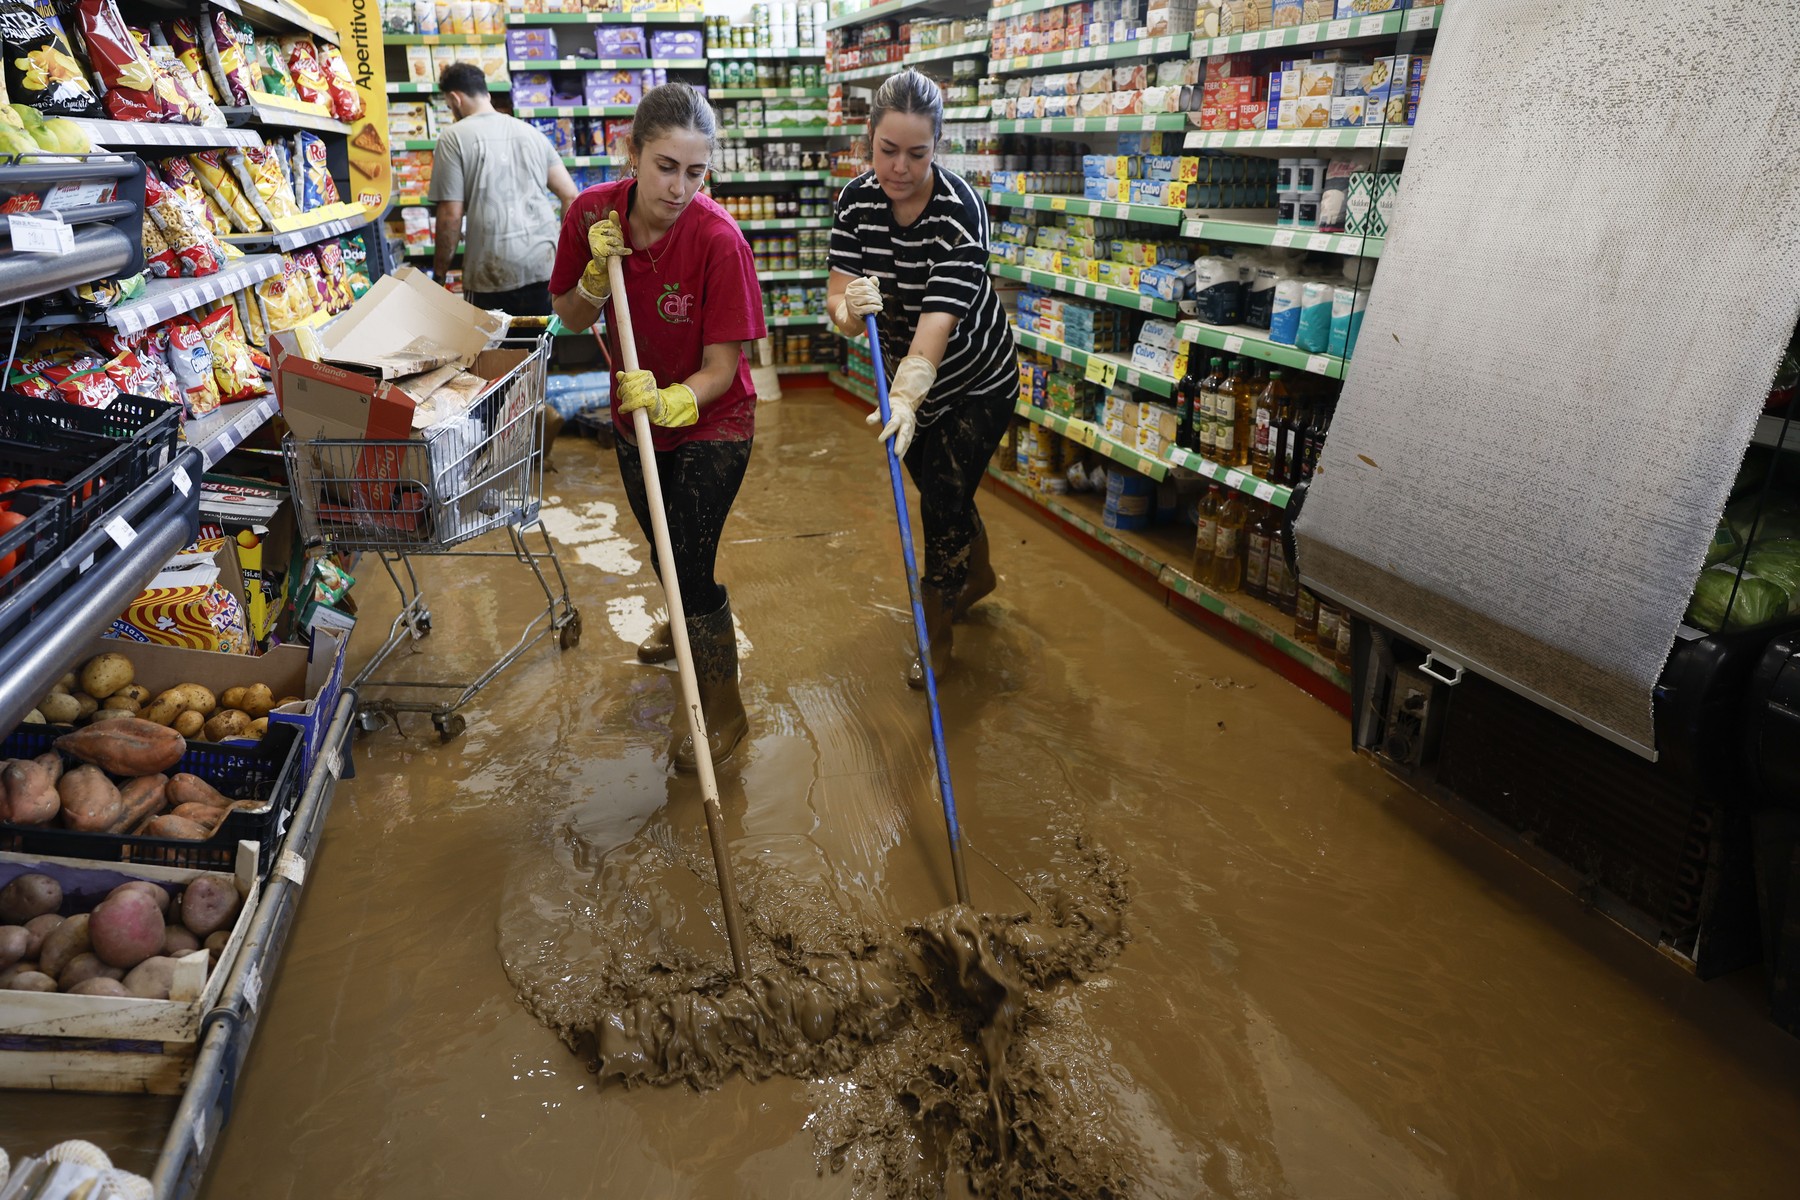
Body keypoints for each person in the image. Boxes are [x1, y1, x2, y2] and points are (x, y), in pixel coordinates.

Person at [550, 83, 765, 770]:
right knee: (663, 547)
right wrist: (590, 278)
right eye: (666, 166)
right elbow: (570, 317)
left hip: (713, 418)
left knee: (691, 562)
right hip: (632, 417)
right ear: (632, 153)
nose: (678, 187)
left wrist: (675, 401)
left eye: (695, 172)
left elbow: (722, 368)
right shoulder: (592, 215)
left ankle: (724, 708)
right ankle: (681, 623)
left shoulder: (718, 240)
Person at [827, 68, 1020, 688]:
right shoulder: (855, 203)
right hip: (905, 382)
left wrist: (908, 396)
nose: (900, 168)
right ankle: (979, 576)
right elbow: (840, 311)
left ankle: (937, 640)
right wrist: (847, 311)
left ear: (938, 145)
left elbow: (937, 326)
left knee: (940, 502)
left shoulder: (960, 214)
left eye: (917, 153)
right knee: (947, 491)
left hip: (976, 378)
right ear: (869, 138)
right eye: (887, 151)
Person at [430, 62, 579, 314]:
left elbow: (451, 216)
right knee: (539, 348)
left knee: (496, 352)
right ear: (486, 95)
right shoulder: (530, 133)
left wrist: (439, 275)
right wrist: (565, 252)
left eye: (447, 104)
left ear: (455, 98)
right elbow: (571, 196)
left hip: (491, 275)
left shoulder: (453, 137)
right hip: (542, 267)